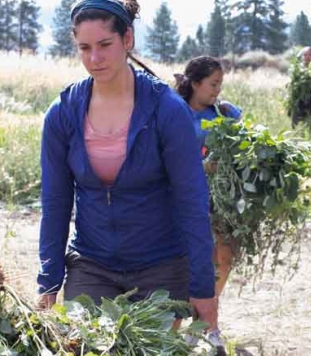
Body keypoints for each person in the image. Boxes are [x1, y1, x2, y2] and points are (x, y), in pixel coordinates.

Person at [36, 0, 217, 333]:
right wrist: (48, 283)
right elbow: (56, 204)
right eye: (84, 48)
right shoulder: (62, 114)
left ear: (127, 39)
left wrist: (204, 289)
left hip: (160, 267)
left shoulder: (166, 110)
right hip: (91, 264)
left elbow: (192, 202)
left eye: (105, 45)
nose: (95, 58)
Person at [175, 55, 243, 356]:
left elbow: (241, 143)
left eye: (220, 85)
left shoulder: (224, 113)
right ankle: (183, 327)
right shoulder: (175, 114)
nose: (217, 90)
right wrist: (201, 166)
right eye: (213, 84)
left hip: (221, 198)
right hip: (185, 198)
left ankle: (205, 322)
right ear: (195, 83)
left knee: (224, 257)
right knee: (188, 263)